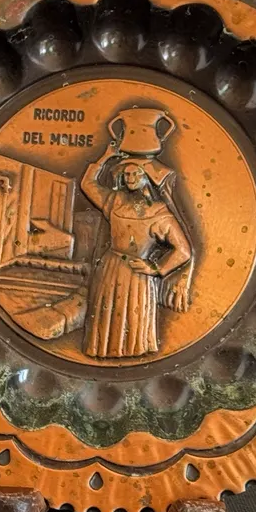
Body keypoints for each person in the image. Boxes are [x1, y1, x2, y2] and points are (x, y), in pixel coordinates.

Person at [78, 147, 193, 359]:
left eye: (136, 174)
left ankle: (133, 356)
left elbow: (184, 251)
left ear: (147, 177)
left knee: (133, 313)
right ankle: (104, 352)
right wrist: (105, 156)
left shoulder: (159, 213)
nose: (130, 178)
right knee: (107, 312)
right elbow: (87, 184)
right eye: (126, 174)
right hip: (110, 267)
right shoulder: (115, 201)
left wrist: (156, 268)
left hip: (137, 273)